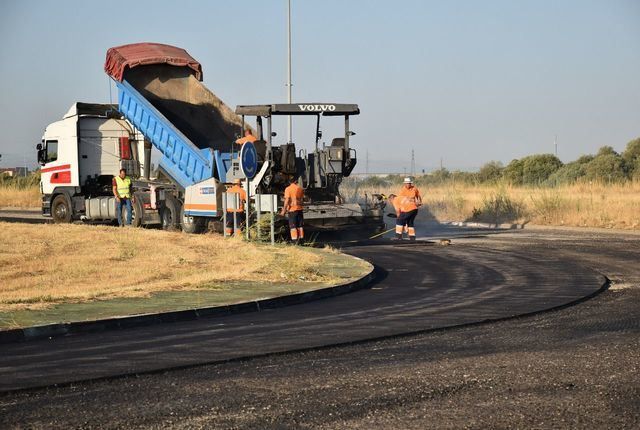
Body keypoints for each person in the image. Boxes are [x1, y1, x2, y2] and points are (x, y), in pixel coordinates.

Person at [280, 176, 304, 244]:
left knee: (293, 226)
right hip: (299, 209)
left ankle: (295, 241)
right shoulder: (300, 189)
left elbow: (287, 200)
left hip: (292, 210)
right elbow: (302, 200)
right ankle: (301, 239)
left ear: (289, 182)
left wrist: (283, 210)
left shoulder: (288, 189)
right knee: (300, 226)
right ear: (296, 181)